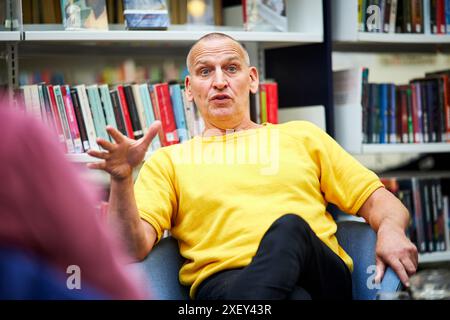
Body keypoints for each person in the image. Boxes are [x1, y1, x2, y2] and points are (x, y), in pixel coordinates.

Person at [87, 32, 418, 300]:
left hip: (320, 276)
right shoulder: (168, 161)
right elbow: (130, 248)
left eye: (231, 68)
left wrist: (390, 229)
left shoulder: (303, 136)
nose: (219, 81)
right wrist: (121, 179)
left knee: (290, 228)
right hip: (225, 287)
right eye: (205, 72)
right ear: (189, 89)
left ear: (252, 78)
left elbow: (382, 203)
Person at [0, 102, 145, 299]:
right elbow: (123, 250)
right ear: (188, 88)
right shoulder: (15, 135)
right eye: (201, 72)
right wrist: (123, 179)